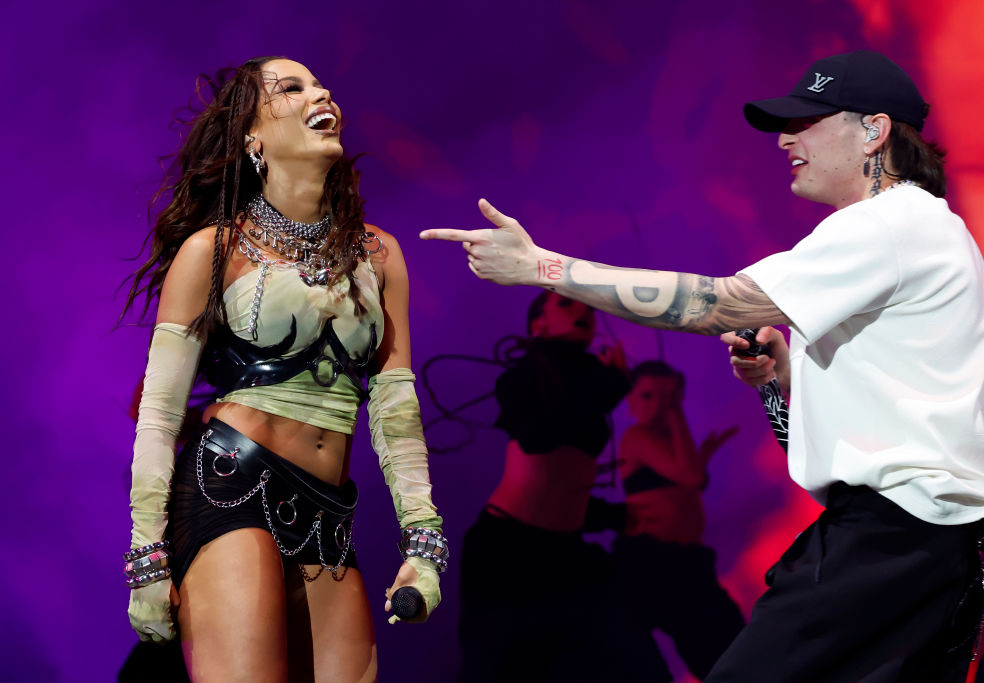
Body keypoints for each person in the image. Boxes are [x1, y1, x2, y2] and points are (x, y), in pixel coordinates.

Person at [421, 50, 984, 681]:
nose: (784, 139)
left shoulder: (890, 223)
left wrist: (539, 267)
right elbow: (883, 417)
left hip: (892, 540)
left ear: (875, 131)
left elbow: (716, 303)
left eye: (808, 120)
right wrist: (782, 379)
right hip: (921, 543)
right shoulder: (926, 230)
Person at [119, 56, 448, 682]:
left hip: (328, 511)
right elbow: (160, 416)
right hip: (230, 487)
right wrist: (146, 555)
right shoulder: (213, 250)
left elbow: (396, 406)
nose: (320, 93)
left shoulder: (378, 255)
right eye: (291, 88)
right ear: (252, 137)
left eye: (321, 85)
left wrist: (424, 543)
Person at [457, 291, 670, 682]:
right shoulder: (521, 379)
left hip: (567, 552)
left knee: (635, 664)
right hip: (509, 554)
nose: (585, 311)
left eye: (589, 307)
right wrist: (608, 387)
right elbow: (541, 437)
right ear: (538, 324)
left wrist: (614, 516)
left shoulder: (593, 378)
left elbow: (564, 478)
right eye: (567, 304)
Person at [615, 360, 743, 680]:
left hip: (685, 562)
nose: (658, 406)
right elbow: (690, 475)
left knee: (729, 648)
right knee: (720, 649)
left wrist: (702, 455)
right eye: (647, 396)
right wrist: (675, 412)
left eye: (669, 397)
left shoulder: (667, 441)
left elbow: (690, 480)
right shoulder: (637, 435)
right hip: (652, 562)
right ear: (629, 399)